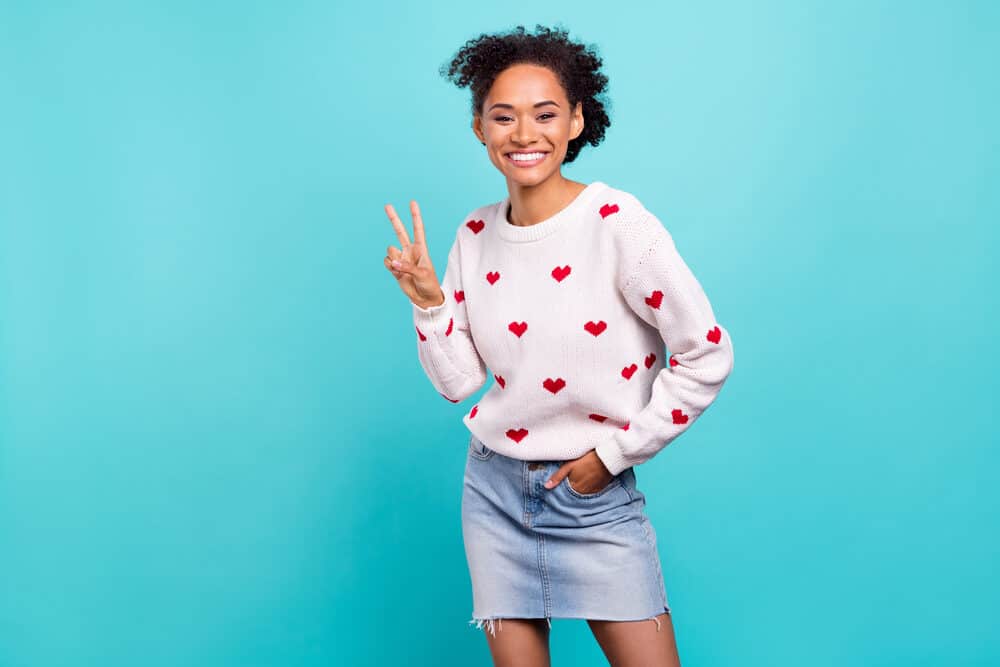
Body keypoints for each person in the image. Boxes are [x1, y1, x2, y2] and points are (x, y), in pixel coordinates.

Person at [383, 24, 734, 667]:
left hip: (593, 492)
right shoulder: (473, 234)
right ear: (478, 128)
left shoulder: (619, 225)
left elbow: (706, 354)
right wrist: (428, 299)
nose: (524, 134)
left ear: (575, 120)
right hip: (492, 492)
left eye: (545, 115)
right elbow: (458, 383)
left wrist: (613, 456)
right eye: (503, 116)